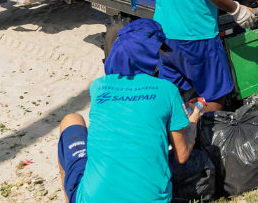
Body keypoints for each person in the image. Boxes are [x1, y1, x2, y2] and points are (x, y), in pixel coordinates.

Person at [57, 19, 202, 203]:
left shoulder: (98, 87)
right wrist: (192, 123)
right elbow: (182, 155)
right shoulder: (167, 90)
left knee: (71, 119)